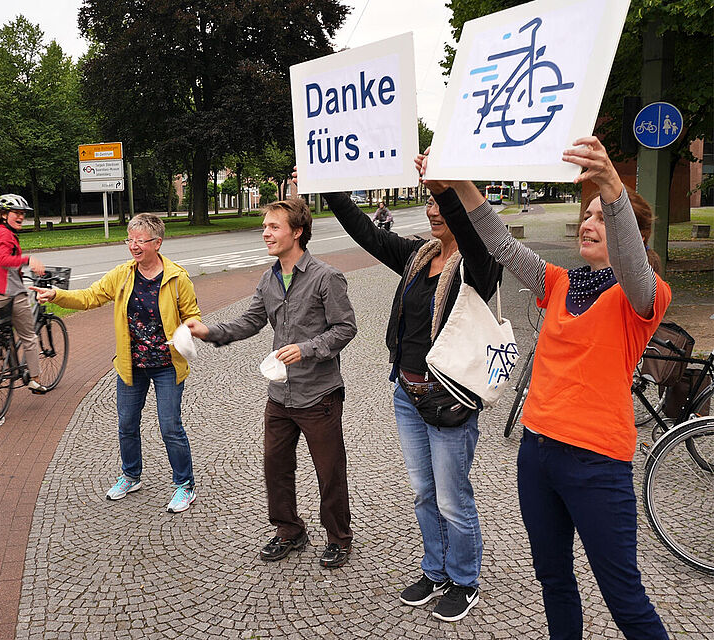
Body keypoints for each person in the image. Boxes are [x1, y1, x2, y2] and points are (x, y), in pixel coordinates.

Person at [419, 137, 671, 639]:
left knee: (624, 598)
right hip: (537, 454)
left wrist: (611, 183)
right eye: (586, 214)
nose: (588, 223)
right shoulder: (558, 282)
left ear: (633, 233)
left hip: (598, 462)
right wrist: (458, 180)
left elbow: (633, 269)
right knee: (553, 579)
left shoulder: (643, 296)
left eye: (601, 217)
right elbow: (501, 244)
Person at [314, 173, 501, 620]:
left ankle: (464, 580)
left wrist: (444, 188)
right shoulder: (419, 256)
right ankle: (436, 571)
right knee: (423, 492)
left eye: (441, 203)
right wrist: (328, 184)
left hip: (450, 398)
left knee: (452, 496)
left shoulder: (480, 264)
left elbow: (468, 230)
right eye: (429, 202)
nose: (432, 210)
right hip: (408, 393)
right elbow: (367, 233)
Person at [185, 198, 358, 569]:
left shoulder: (326, 277)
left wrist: (307, 348)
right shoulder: (269, 278)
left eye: (274, 226)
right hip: (280, 394)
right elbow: (250, 321)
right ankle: (289, 530)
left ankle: (339, 538)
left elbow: (345, 328)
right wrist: (209, 331)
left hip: (319, 395)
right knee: (275, 466)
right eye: (265, 226)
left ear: (297, 232)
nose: (265, 233)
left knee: (329, 471)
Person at [31, 213, 201, 513]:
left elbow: (192, 314)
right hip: (130, 364)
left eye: (140, 240)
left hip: (166, 364)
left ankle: (184, 485)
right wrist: (56, 294)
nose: (134, 246)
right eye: (130, 240)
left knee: (170, 426)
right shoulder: (122, 275)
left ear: (157, 243)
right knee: (126, 424)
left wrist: (189, 329)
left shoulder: (177, 278)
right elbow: (89, 297)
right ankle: (131, 476)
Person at [0, 194, 48, 394]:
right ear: (4, 214)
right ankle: (35, 380)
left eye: (22, 213)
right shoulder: (5, 234)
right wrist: (28, 260)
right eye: (16, 213)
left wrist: (20, 269)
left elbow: (0, 262)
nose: (21, 217)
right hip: (12, 294)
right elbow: (4, 260)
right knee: (29, 337)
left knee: (5, 332)